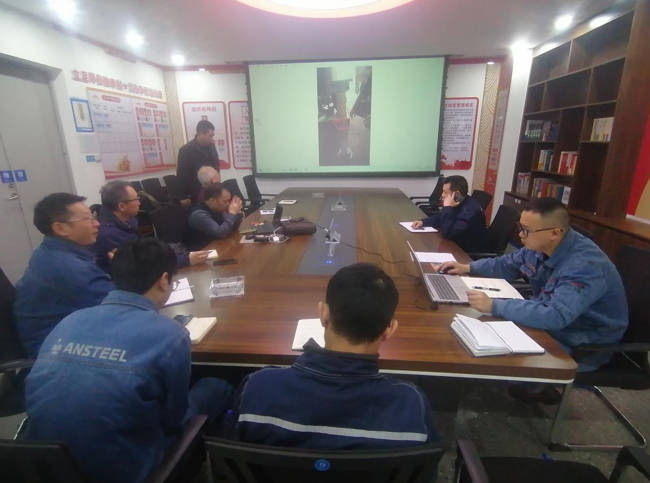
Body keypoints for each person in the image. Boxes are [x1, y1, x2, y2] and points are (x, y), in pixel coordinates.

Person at [24, 239, 233, 483]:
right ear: (164, 280)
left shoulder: (71, 320)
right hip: (123, 470)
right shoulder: (170, 334)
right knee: (217, 385)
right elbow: (174, 419)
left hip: (42, 465)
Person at [436, 198, 628, 402]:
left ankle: (530, 386)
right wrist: (468, 267)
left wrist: (494, 305)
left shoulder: (585, 266)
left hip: (582, 341)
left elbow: (555, 315)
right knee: (479, 328)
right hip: (556, 321)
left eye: (526, 230)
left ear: (555, 233)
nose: (520, 235)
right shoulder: (540, 246)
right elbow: (507, 264)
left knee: (489, 337)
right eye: (520, 227)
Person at [227, 263, 438, 448]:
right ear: (389, 330)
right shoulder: (411, 405)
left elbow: (232, 451)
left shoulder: (257, 388)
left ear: (323, 314)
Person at [13, 193, 114, 358]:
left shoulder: (50, 251)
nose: (97, 223)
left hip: (65, 337)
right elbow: (122, 307)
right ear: (61, 228)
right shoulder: (67, 267)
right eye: (87, 219)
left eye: (93, 216)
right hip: (59, 353)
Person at [92, 180, 209, 272]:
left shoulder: (128, 220)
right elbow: (142, 266)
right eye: (136, 199)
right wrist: (185, 260)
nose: (139, 203)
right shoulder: (109, 235)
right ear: (121, 206)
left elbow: (145, 251)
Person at [411, 176, 487, 252]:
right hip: (456, 245)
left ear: (456, 194)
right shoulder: (460, 200)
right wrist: (423, 222)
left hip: (467, 253)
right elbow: (440, 217)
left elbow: (448, 233)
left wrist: (447, 207)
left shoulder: (470, 211)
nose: (442, 195)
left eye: (445, 192)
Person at [185, 183, 243, 250]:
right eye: (225, 201)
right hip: (202, 250)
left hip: (216, 244)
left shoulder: (217, 208)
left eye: (229, 201)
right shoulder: (199, 215)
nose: (228, 204)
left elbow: (229, 227)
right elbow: (221, 233)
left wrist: (238, 214)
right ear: (212, 200)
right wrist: (232, 213)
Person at [176, 120, 220, 203]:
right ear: (201, 133)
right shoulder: (186, 150)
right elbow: (181, 175)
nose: (212, 139)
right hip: (195, 193)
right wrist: (182, 197)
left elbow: (216, 166)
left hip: (211, 190)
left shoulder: (211, 146)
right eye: (210, 136)